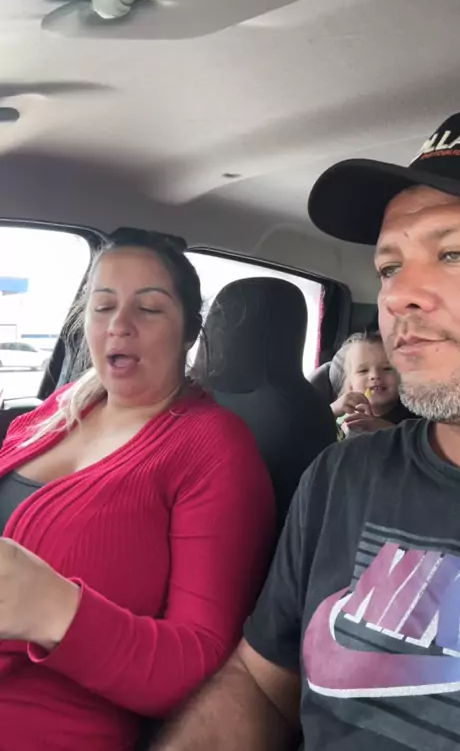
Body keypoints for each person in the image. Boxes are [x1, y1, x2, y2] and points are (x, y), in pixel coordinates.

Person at [153, 109, 460, 751]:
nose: (398, 296)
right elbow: (259, 683)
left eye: (455, 254)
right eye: (389, 267)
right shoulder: (343, 474)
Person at [0, 231, 275, 751]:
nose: (119, 325)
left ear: (189, 332)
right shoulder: (58, 408)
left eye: (148, 309)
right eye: (103, 306)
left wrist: (55, 610)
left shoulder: (213, 446)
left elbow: (204, 666)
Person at [331, 331, 413, 435]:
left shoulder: (413, 415)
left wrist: (388, 430)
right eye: (363, 371)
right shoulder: (341, 414)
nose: (375, 375)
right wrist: (330, 412)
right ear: (350, 385)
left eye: (387, 368)